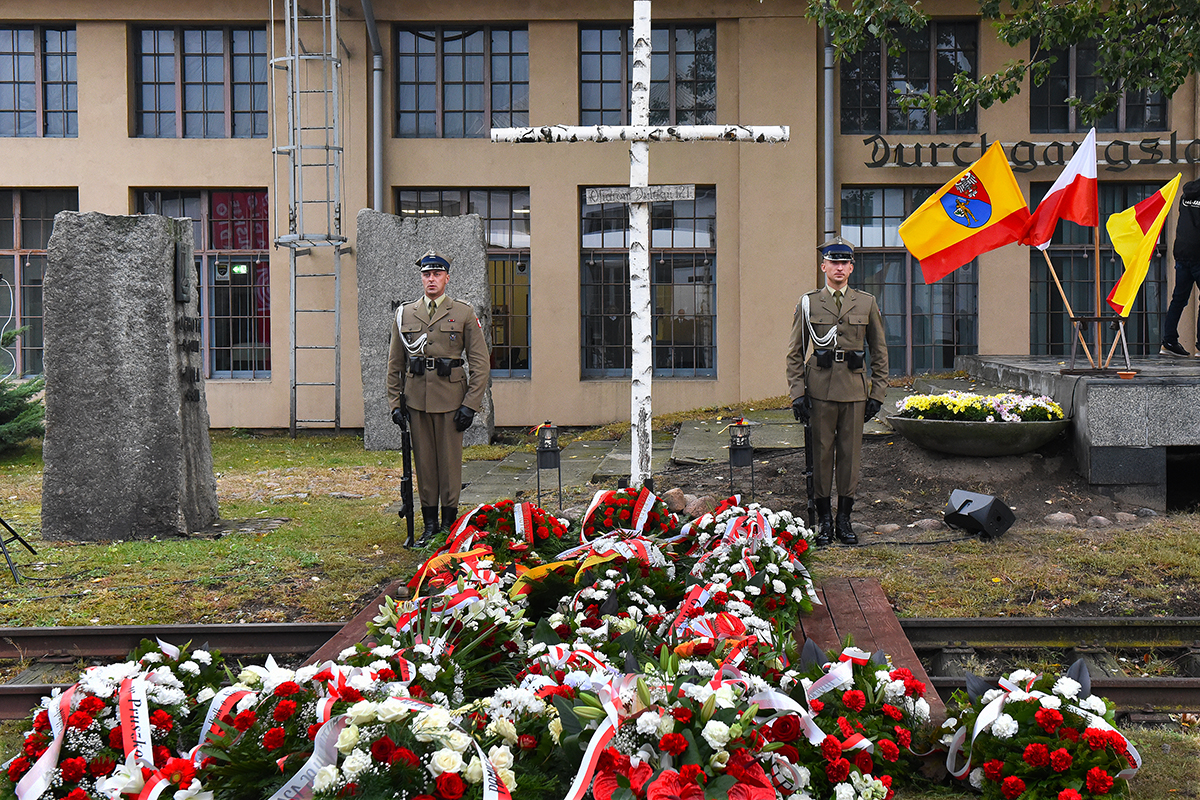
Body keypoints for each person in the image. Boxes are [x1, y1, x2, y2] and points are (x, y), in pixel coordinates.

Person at [786, 236, 888, 546]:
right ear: (823, 266)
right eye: (834, 262)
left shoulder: (866, 302)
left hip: (854, 392)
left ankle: (844, 518)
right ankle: (824, 520)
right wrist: (797, 393)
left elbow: (879, 351)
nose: (839, 267)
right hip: (819, 391)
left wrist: (878, 393)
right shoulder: (809, 302)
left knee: (849, 456)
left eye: (845, 263)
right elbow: (795, 352)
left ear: (852, 268)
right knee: (821, 454)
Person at [387, 250, 490, 546]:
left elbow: (480, 363)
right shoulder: (405, 313)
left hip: (452, 399)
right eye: (426, 274)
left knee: (449, 463)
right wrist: (396, 404)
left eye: (436, 274)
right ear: (421, 277)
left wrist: (471, 405)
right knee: (425, 464)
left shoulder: (464, 313)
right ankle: (429, 524)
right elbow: (395, 363)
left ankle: (449, 524)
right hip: (417, 399)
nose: (431, 279)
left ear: (447, 277)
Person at [1160, 178, 1200, 357]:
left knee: (1178, 299)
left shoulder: (1185, 194)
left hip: (1182, 252)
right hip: (1198, 253)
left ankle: (1168, 341)